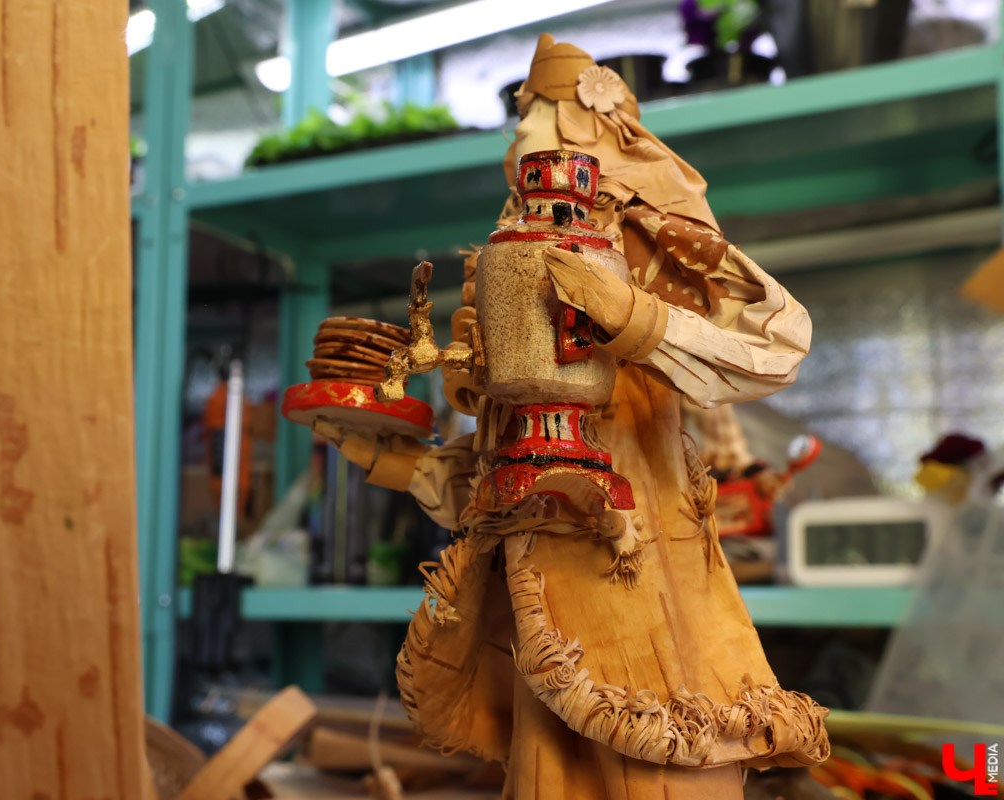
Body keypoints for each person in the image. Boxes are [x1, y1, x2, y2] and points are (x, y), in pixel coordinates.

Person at [311, 35, 827, 800]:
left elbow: (776, 346)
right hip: (544, 620)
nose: (519, 132)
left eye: (537, 111)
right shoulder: (509, 261)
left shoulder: (649, 244)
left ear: (597, 128)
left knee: (662, 768)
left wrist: (631, 315)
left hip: (644, 595)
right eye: (520, 114)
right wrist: (392, 460)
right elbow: (511, 472)